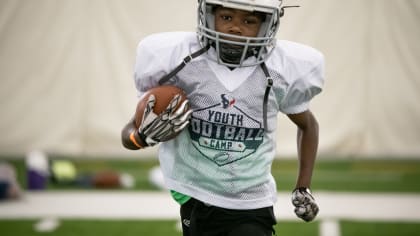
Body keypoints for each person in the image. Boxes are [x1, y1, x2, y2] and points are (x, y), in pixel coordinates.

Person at [122, 0, 324, 235]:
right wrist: (140, 137)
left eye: (249, 21)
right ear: (208, 15)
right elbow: (129, 132)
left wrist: (303, 186)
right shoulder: (183, 63)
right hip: (193, 196)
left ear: (268, 24)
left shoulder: (277, 71)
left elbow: (309, 126)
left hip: (251, 201)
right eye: (227, 17)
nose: (236, 28)